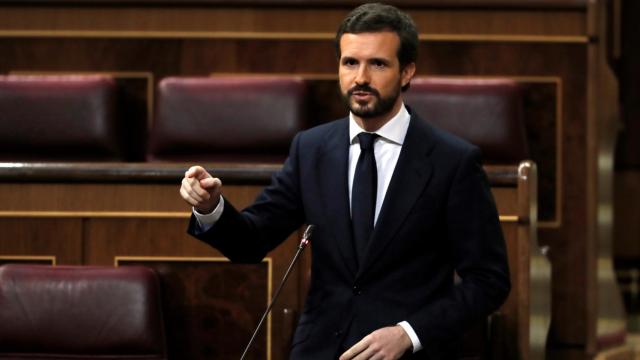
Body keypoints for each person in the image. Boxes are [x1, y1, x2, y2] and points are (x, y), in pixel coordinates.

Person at [179, 3, 510, 359]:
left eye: (378, 64)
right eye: (350, 62)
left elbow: (488, 281)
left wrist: (408, 334)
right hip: (321, 349)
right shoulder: (311, 149)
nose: (361, 78)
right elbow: (251, 241)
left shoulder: (452, 161)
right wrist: (211, 208)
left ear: (407, 72)